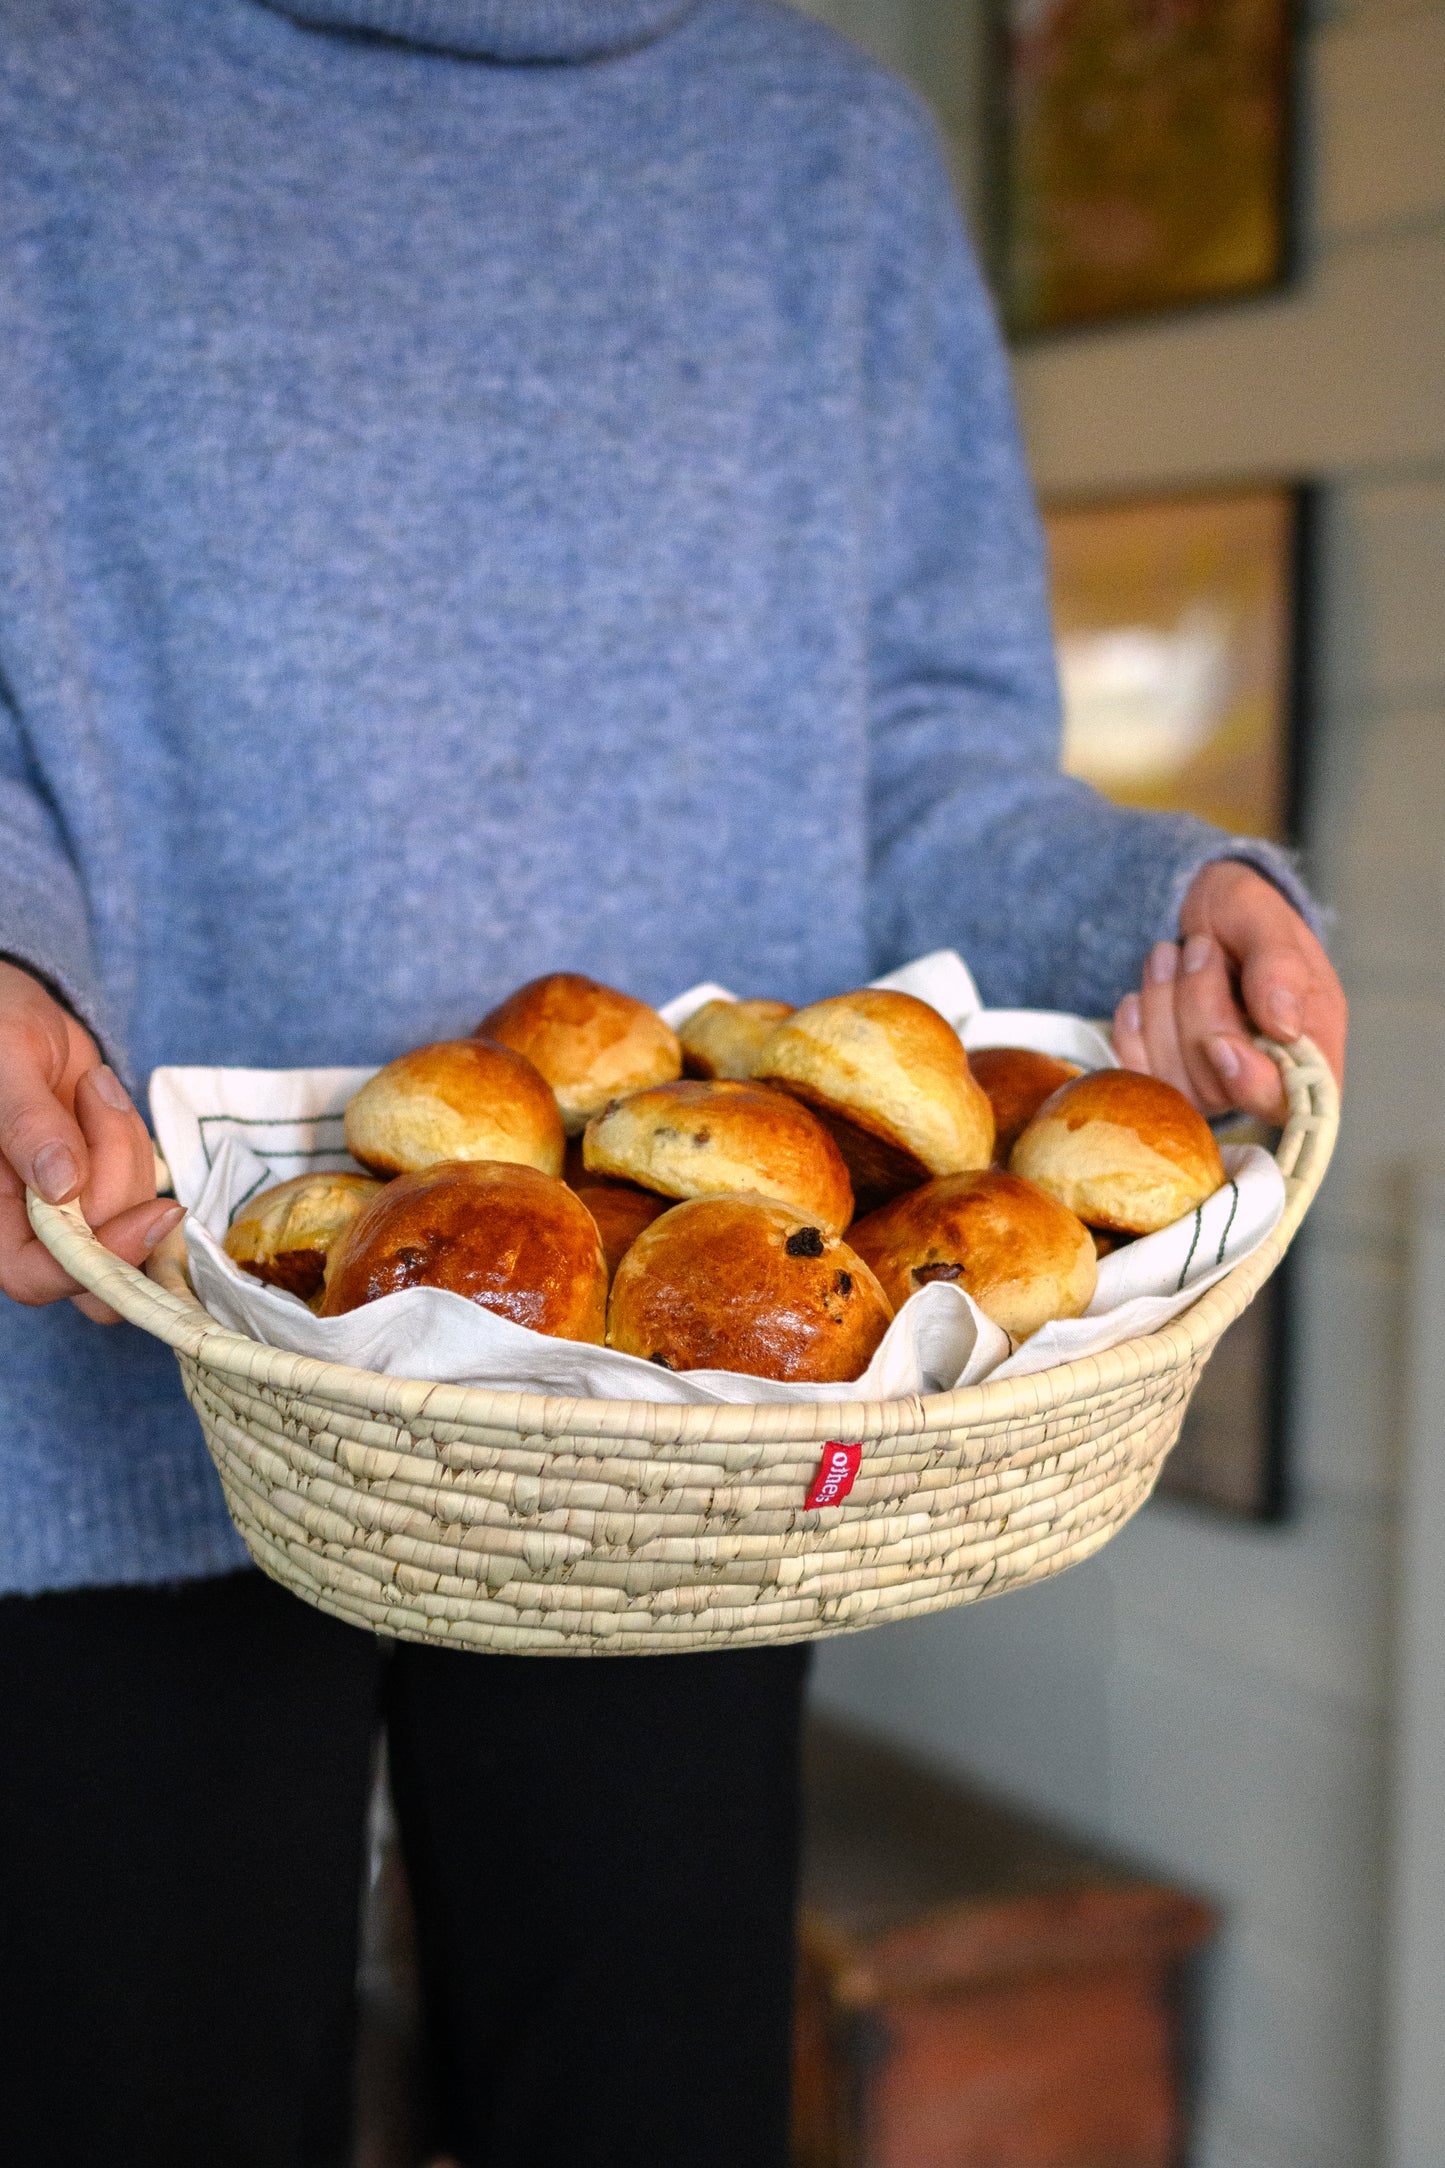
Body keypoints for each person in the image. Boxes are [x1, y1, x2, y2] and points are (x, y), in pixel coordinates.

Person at [0, 3, 1346, 2164]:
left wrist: (1160, 910)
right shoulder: (42, 92)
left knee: (646, 2102)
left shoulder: (826, 158)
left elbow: (930, 766)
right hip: (118, 1343)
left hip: (687, 1428)